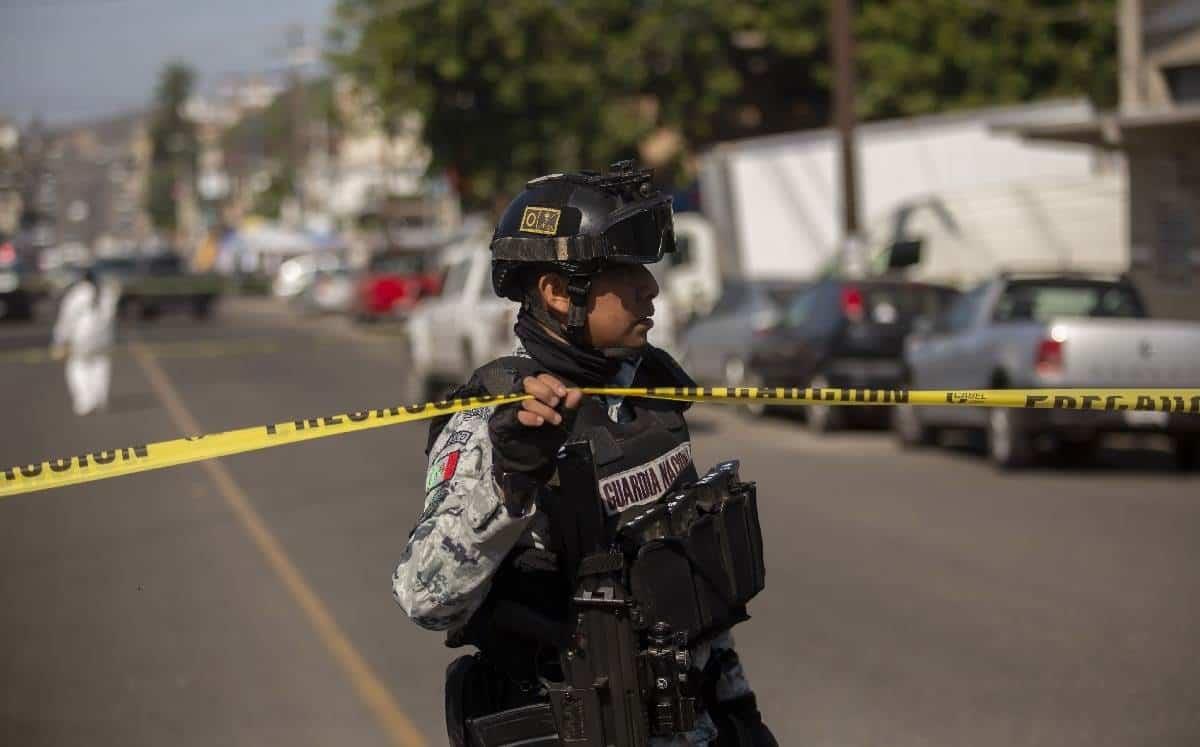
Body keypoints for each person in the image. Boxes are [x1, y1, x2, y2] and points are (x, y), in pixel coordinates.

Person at [393, 162, 775, 745]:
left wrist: (738, 709)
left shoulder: (646, 393)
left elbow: (694, 598)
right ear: (556, 291)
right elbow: (425, 597)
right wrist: (509, 482)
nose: (651, 289)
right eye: (626, 274)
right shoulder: (498, 421)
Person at [51, 268, 120, 416]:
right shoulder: (106, 292)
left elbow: (66, 319)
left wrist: (59, 340)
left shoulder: (78, 293)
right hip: (104, 336)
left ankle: (85, 401)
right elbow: (111, 314)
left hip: (82, 336)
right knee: (100, 364)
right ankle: (100, 398)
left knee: (78, 366)